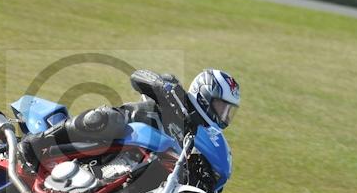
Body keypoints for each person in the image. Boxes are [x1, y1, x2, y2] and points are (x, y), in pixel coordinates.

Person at [18, 69, 240, 168]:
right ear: (204, 94)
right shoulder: (178, 96)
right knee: (108, 119)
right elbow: (139, 77)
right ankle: (38, 141)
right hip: (123, 132)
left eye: (228, 111)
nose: (223, 115)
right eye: (220, 107)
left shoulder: (198, 135)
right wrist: (163, 86)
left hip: (136, 162)